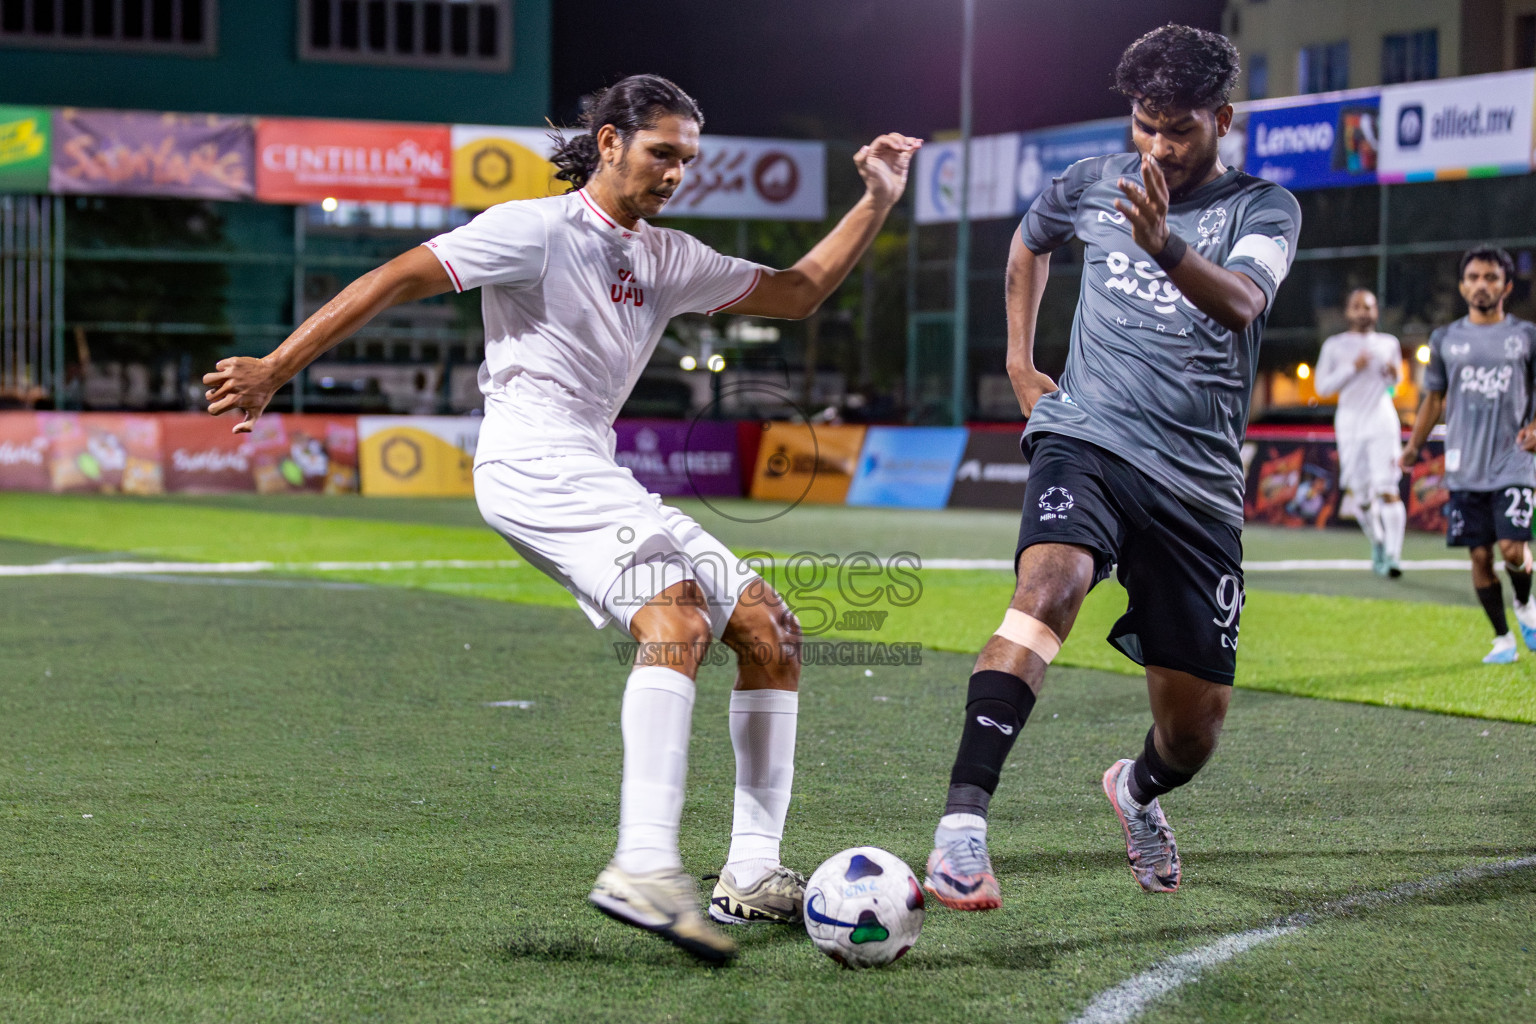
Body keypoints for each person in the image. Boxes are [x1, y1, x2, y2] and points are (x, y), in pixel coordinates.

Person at [203, 74, 921, 963]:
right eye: (662, 153)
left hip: (592, 463)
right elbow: (395, 277)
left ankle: (748, 872)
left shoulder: (665, 255)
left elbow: (800, 291)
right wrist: (276, 367)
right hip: (531, 461)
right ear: (611, 141)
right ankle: (645, 865)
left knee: (771, 629)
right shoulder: (535, 229)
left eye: (688, 160)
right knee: (677, 614)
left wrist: (878, 198)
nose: (676, 173)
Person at [922, 24, 1300, 908]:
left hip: (1197, 485)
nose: (1159, 148)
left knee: (1194, 731)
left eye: (1180, 131)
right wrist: (1021, 362)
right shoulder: (1093, 182)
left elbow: (1243, 303)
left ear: (1223, 118)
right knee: (1047, 588)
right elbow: (1027, 243)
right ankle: (962, 829)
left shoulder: (1265, 207)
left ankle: (1134, 792)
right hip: (1087, 437)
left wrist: (1168, 245)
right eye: (1145, 126)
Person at [1401, 247, 1536, 664]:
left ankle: (1526, 605)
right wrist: (1412, 448)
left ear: (1507, 287)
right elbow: (1433, 399)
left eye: (1491, 277)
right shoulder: (1445, 339)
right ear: (1463, 286)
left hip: (1515, 459)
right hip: (1464, 464)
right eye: (1474, 277)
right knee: (1479, 555)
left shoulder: (1527, 336)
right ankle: (1502, 639)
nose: (1482, 284)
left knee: (1513, 549)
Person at [1313, 289, 1406, 576]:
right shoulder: (1335, 346)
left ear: (1376, 311)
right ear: (1347, 312)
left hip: (1382, 422)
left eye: (1368, 307)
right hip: (1351, 425)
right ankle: (1377, 541)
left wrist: (1392, 374)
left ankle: (1393, 556)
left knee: (1388, 488)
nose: (1363, 311)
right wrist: (1353, 368)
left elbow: (1397, 381)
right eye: (1357, 306)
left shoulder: (1388, 343)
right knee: (1362, 497)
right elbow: (1322, 388)